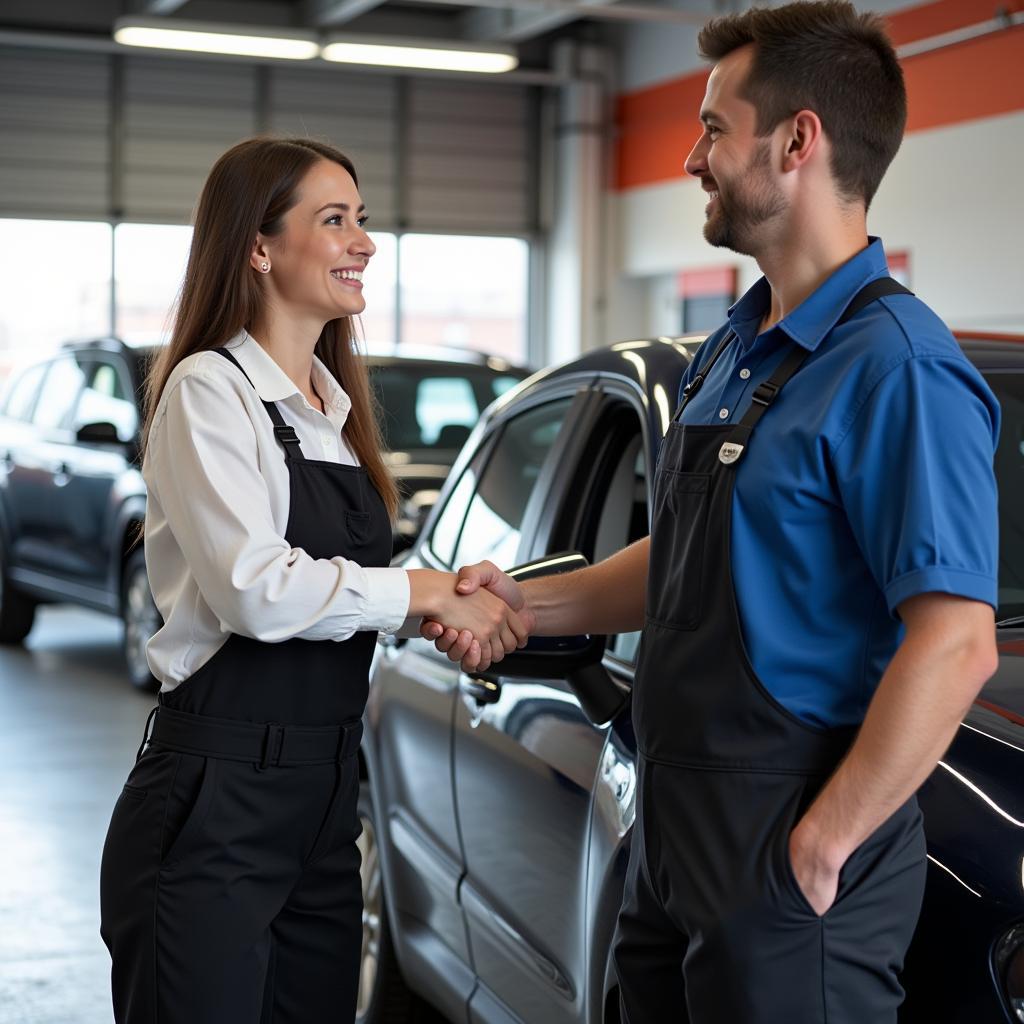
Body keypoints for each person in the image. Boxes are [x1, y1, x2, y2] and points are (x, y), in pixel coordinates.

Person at [424, 3, 1001, 1021]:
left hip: (785, 855)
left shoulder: (896, 370)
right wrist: (521, 601)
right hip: (673, 835)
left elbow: (955, 644)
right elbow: (690, 556)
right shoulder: (735, 349)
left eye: (710, 127)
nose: (691, 157)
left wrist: (820, 849)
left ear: (796, 141)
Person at [99, 136, 526, 1024]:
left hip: (327, 799)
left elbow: (352, 587)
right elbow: (257, 589)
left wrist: (454, 599)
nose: (363, 241)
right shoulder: (208, 391)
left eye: (362, 220)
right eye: (334, 220)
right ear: (257, 246)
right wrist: (421, 594)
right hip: (217, 798)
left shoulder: (334, 409)